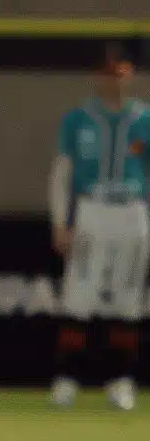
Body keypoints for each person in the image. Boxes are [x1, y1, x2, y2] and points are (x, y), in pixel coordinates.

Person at [49, 44, 149, 412]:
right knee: (79, 296)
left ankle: (120, 380)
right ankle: (66, 380)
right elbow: (62, 174)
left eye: (120, 72)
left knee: (128, 299)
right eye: (107, 73)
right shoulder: (77, 120)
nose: (114, 80)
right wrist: (61, 221)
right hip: (92, 210)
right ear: (97, 76)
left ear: (131, 74)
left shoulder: (146, 120)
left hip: (132, 213)